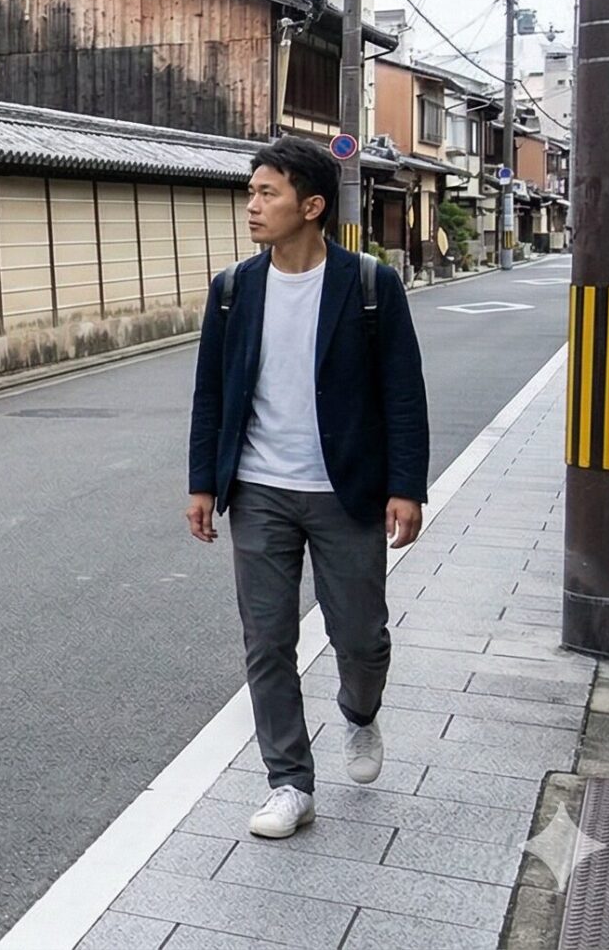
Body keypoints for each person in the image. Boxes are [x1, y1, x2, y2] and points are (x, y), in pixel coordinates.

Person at [187, 136, 431, 839]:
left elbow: (403, 395)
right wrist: (203, 481)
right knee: (266, 640)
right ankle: (290, 781)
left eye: (269, 193)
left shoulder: (368, 285)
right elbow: (211, 393)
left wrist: (406, 486)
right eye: (252, 191)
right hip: (258, 488)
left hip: (346, 490)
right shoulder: (234, 288)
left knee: (359, 636)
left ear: (312, 205)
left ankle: (359, 712)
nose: (253, 205)